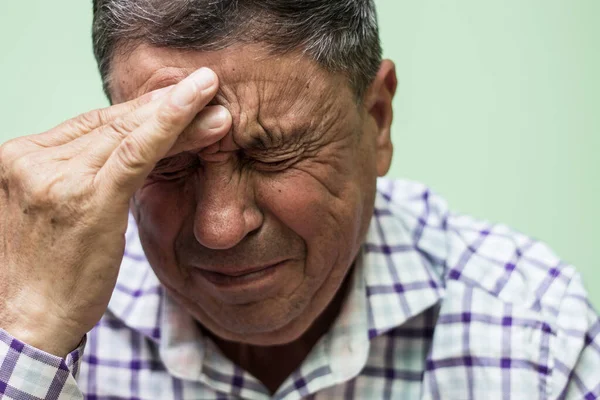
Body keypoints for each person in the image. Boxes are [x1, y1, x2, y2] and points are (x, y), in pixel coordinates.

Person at [0, 0, 598, 398]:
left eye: (271, 153)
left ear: (378, 120)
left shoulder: (535, 336)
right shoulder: (35, 314)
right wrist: (32, 338)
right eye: (170, 159)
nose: (220, 227)